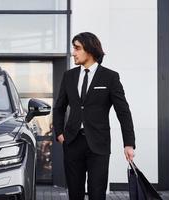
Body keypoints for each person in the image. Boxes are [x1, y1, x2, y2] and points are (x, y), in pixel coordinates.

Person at [53, 32, 135, 200]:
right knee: (74, 194)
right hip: (72, 142)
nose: (73, 53)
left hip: (99, 144)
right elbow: (59, 107)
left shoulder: (110, 77)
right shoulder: (69, 76)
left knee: (97, 193)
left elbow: (123, 112)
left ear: (89, 50)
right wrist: (60, 134)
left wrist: (129, 143)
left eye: (77, 48)